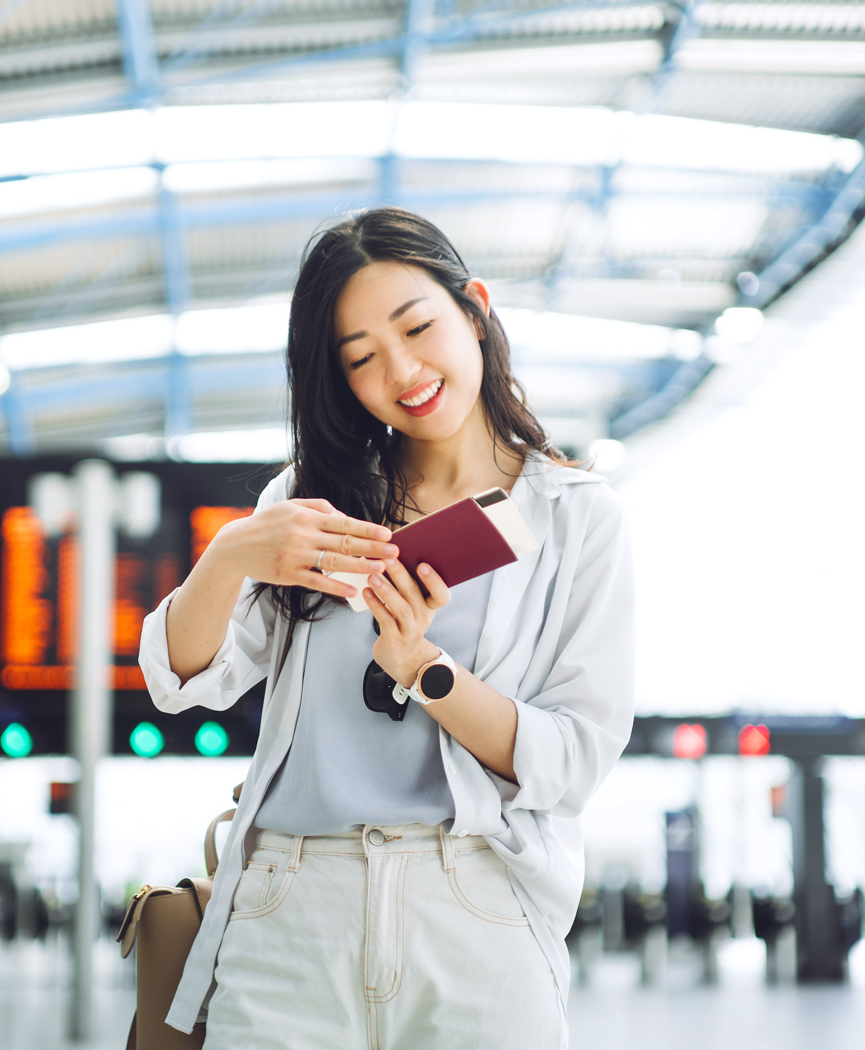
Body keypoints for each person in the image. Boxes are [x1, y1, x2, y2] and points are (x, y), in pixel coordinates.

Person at [140, 207, 634, 1049]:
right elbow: (185, 682)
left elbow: (575, 758)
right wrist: (228, 556)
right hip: (293, 908)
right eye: (362, 358)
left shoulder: (576, 519)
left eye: (418, 328)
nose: (403, 371)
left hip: (475, 909)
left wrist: (425, 670)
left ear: (474, 309)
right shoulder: (313, 502)